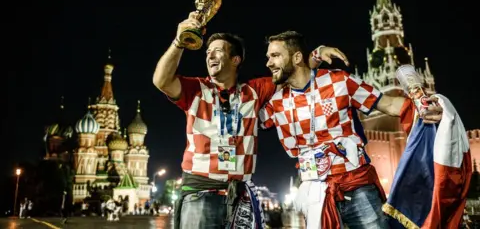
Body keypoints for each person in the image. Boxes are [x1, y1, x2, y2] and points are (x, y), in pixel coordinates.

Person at [152, 12, 348, 229]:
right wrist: (179, 42)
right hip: (200, 194)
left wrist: (318, 53)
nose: (210, 56)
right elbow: (161, 80)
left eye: (217, 51)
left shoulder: (253, 92)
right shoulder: (196, 90)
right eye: (208, 52)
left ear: (235, 59)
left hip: (239, 197)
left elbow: (292, 72)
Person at [259, 30, 443, 229]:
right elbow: (243, 121)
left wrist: (423, 107)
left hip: (357, 186)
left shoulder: (339, 81)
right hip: (315, 195)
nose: (268, 63)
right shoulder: (275, 104)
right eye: (268, 57)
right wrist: (316, 55)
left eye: (275, 56)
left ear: (296, 57)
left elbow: (388, 104)